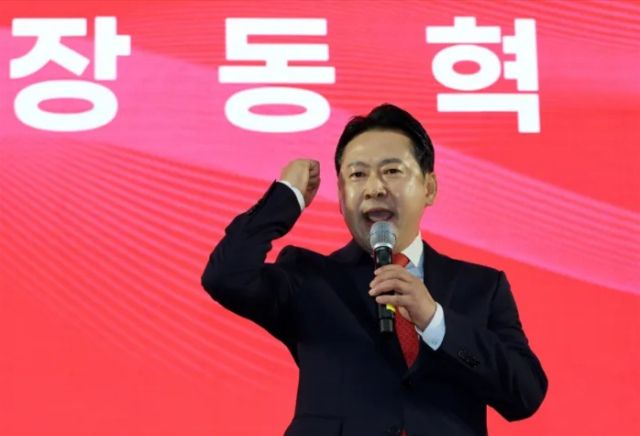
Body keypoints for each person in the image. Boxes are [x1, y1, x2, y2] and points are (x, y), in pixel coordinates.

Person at [201, 104, 547, 436]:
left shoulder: (482, 287)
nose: (375, 188)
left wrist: (434, 320)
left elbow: (525, 393)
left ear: (429, 188)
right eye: (358, 174)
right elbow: (225, 276)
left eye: (392, 171)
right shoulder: (309, 278)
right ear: (341, 195)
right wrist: (287, 196)